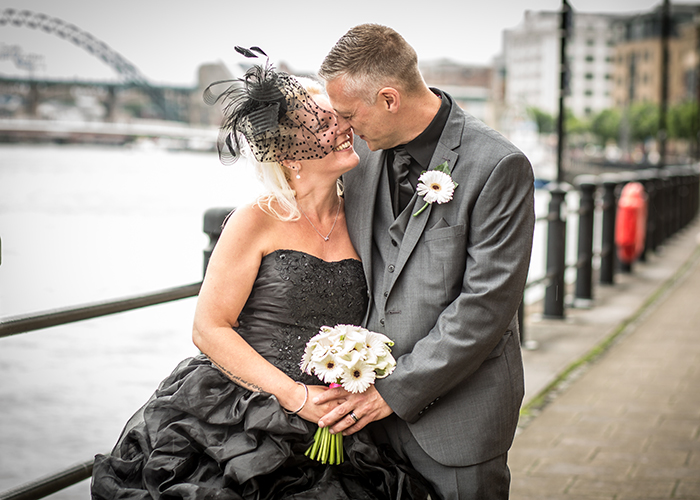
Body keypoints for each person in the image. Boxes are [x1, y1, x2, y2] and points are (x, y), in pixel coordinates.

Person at [90, 50, 434, 500]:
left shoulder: (364, 216)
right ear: (292, 156)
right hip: (247, 412)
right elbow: (209, 328)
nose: (344, 129)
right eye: (325, 126)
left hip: (337, 412)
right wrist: (296, 398)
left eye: (338, 119)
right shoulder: (256, 219)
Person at [313, 25, 536, 499]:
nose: (345, 129)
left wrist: (392, 393)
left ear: (389, 99)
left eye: (351, 115)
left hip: (459, 419)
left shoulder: (498, 165)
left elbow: (487, 306)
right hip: (361, 417)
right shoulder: (356, 156)